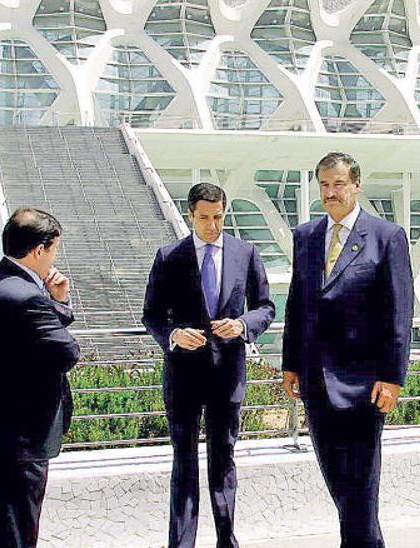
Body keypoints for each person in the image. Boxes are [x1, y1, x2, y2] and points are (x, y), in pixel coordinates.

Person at [281, 152, 413, 547]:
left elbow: (399, 310)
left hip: (365, 384)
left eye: (338, 184)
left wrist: (392, 378)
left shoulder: (386, 236)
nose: (330, 192)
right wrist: (290, 364)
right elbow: (296, 303)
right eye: (324, 184)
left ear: (356, 185)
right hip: (316, 381)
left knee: (360, 486)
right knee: (339, 484)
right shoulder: (306, 236)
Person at [142, 182, 276, 548]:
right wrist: (173, 335)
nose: (212, 225)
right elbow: (151, 315)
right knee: (183, 460)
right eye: (204, 218)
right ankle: (181, 543)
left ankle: (225, 539)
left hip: (227, 375)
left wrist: (242, 325)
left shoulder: (245, 253)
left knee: (223, 458)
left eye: (218, 217)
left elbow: (266, 307)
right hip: (183, 375)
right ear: (190, 216)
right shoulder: (169, 256)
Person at [0, 207, 80, 547]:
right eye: (54, 250)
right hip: (20, 438)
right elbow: (68, 352)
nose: (54, 259)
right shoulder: (25, 296)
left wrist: (56, 303)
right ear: (38, 250)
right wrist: (55, 303)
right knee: (16, 531)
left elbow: (35, 338)